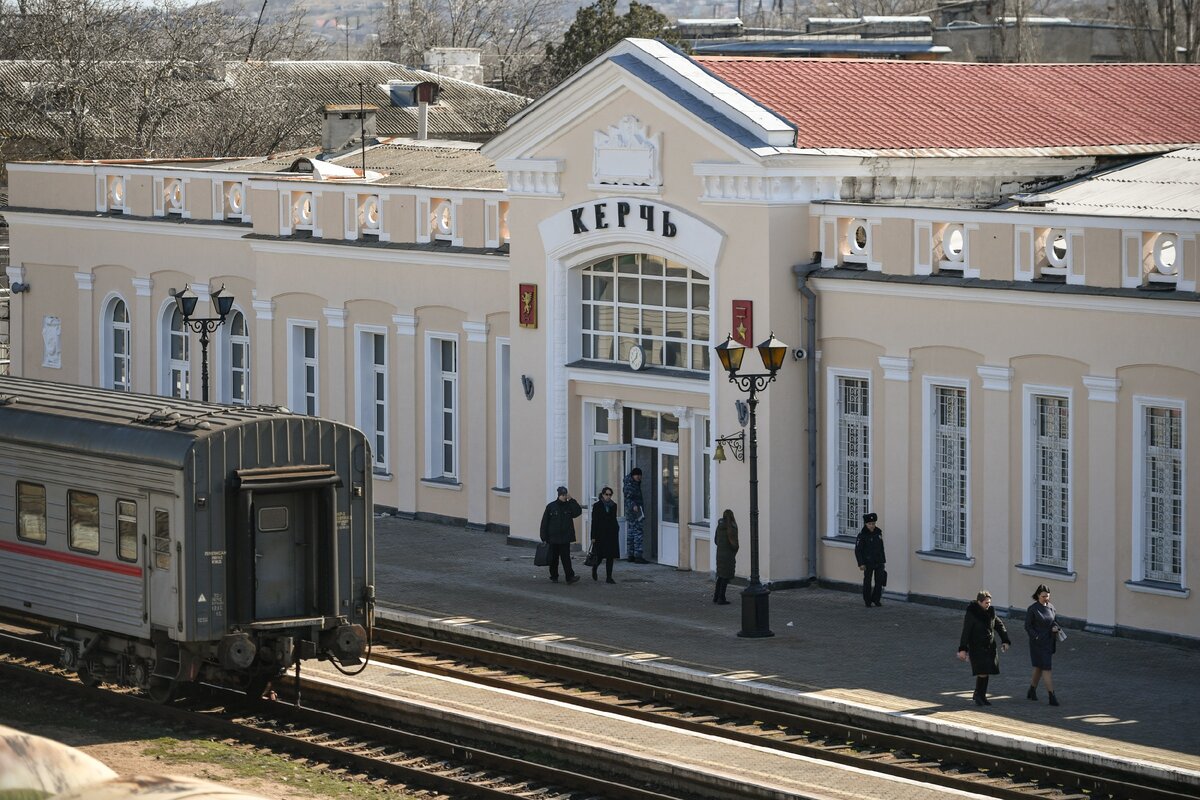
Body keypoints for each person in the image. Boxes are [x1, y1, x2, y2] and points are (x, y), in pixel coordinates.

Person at [957, 590, 1011, 706]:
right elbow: (966, 632)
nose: (988, 605)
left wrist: (1005, 640)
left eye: (989, 602)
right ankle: (979, 695)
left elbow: (999, 625)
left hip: (989, 647)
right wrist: (963, 649)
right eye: (986, 603)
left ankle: (980, 695)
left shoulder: (991, 612)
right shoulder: (972, 614)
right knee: (982, 671)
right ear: (979, 602)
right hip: (977, 647)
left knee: (986, 672)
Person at [1024, 584, 1062, 706]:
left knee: (1039, 668)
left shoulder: (1051, 607)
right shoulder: (1033, 609)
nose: (1046, 598)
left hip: (1049, 642)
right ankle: (1052, 696)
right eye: (1043, 596)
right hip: (1037, 643)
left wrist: (1056, 628)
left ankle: (1032, 690)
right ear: (1038, 596)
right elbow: (1028, 626)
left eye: (1047, 596)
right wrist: (1036, 636)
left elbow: (1054, 621)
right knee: (1046, 668)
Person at [539, 486, 582, 584]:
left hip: (565, 538)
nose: (564, 496)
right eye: (562, 495)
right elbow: (544, 522)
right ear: (558, 495)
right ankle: (554, 576)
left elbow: (577, 512)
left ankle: (570, 577)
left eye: (565, 494)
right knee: (554, 558)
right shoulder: (551, 506)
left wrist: (571, 500)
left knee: (566, 558)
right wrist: (543, 537)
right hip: (553, 538)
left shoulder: (569, 505)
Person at [854, 512, 886, 607]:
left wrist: (883, 560)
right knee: (867, 581)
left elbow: (881, 547)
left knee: (879, 581)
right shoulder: (862, 535)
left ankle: (876, 599)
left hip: (878, 561)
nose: (872, 526)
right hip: (868, 562)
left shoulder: (878, 533)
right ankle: (867, 601)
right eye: (870, 524)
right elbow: (858, 550)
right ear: (866, 524)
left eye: (873, 523)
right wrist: (861, 563)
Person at [589, 487, 620, 583]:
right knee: (599, 556)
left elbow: (613, 519)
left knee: (610, 556)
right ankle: (594, 568)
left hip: (611, 534)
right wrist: (593, 536)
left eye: (610, 495)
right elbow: (594, 522)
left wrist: (616, 529)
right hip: (600, 535)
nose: (608, 496)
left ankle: (609, 577)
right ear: (602, 495)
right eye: (606, 494)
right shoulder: (597, 506)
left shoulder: (613, 505)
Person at [713, 509, 739, 605]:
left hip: (719, 554)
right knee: (725, 577)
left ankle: (716, 596)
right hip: (728, 555)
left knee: (720, 575)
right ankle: (721, 598)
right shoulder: (732, 527)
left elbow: (715, 540)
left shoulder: (719, 526)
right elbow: (734, 544)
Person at [623, 467, 648, 563]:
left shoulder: (632, 483)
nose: (639, 477)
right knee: (638, 533)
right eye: (637, 475)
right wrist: (634, 506)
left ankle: (631, 555)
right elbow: (628, 498)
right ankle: (638, 556)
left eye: (640, 475)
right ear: (633, 475)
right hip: (635, 512)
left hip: (631, 512)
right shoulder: (630, 485)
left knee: (631, 533)